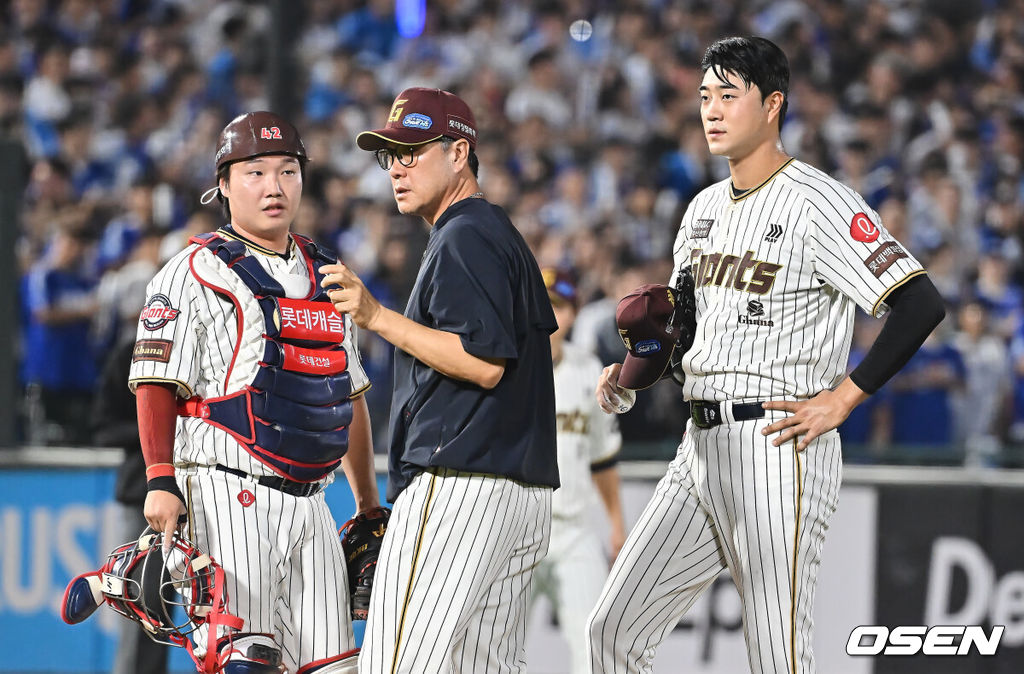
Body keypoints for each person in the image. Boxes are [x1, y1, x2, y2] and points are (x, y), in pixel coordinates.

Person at [590, 37, 946, 673]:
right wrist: (632, 373)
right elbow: (681, 331)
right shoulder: (700, 209)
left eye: (730, 95)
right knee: (613, 629)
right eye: (705, 97)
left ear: (774, 103)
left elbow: (919, 304)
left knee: (775, 656)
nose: (712, 111)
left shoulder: (820, 201)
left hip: (777, 444)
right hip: (699, 448)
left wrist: (845, 396)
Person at [129, 111, 381, 673]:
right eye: (256, 172)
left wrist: (366, 504)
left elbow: (350, 393)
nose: (274, 187)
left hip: (314, 504)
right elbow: (154, 382)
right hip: (225, 494)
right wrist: (159, 480)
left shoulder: (329, 273)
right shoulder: (191, 271)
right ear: (223, 184)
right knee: (246, 662)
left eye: (288, 171)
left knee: (336, 666)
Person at [320, 87, 559, 674]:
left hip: (460, 485)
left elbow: (483, 361)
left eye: (414, 151)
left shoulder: (464, 234)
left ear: (459, 154)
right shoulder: (491, 231)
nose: (397, 167)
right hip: (516, 494)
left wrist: (376, 317)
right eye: (390, 156)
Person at [531, 268, 626, 674]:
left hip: (572, 528)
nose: (550, 314)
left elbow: (602, 457)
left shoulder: (590, 372)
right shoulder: (502, 367)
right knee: (491, 647)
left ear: (572, 314)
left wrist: (617, 523)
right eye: (543, 302)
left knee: (594, 644)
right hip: (517, 526)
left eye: (558, 305)